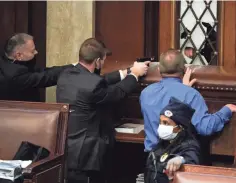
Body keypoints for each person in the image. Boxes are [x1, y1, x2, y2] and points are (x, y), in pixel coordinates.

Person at [56, 38, 150, 183]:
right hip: (87, 152)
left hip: (67, 147)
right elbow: (117, 93)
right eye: (104, 60)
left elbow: (96, 81)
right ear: (98, 61)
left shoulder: (66, 75)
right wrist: (134, 75)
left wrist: (125, 72)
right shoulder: (93, 84)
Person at [140, 49, 236, 153]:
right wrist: (227, 110)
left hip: (151, 159)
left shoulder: (145, 93)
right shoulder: (190, 95)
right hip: (178, 159)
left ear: (158, 69)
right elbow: (205, 128)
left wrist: (184, 89)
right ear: (184, 69)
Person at [0, 33, 74, 101]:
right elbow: (45, 77)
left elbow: (40, 71)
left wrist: (72, 66)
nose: (36, 52)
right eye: (32, 51)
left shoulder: (8, 62)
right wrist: (74, 68)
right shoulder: (16, 75)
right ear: (19, 55)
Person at [145, 97, 200, 183]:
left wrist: (181, 160)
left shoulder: (189, 144)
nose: (162, 126)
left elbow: (191, 158)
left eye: (166, 123)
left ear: (180, 128)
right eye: (161, 122)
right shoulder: (162, 143)